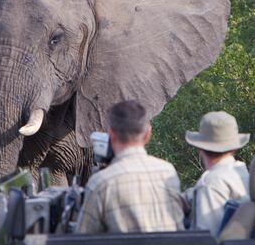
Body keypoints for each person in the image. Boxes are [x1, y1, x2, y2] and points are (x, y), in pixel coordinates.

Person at [75, 100, 185, 233]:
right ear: (147, 134)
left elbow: (82, 240)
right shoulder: (168, 172)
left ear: (111, 134)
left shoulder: (101, 183)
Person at [184, 111, 250, 236]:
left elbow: (206, 238)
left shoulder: (211, 183)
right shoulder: (243, 173)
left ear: (200, 148)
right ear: (234, 147)